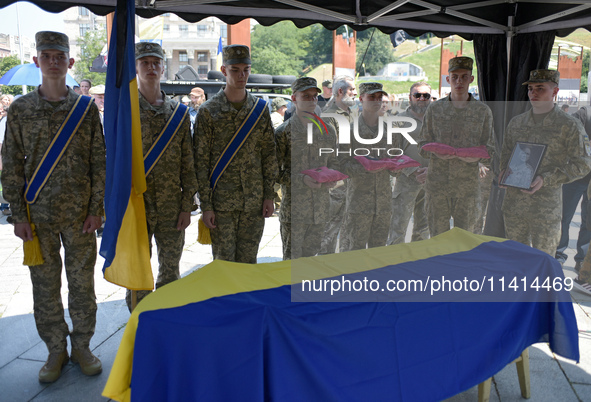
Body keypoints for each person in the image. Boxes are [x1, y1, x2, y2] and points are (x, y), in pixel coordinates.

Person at [1, 31, 105, 382]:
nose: (54, 61)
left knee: (82, 286)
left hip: (79, 217)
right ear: (36, 61)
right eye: (46, 55)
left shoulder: (85, 109)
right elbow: (11, 164)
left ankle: (83, 346)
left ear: (70, 62)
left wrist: (96, 209)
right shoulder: (20, 109)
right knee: (44, 287)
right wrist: (17, 214)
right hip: (38, 216)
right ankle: (55, 350)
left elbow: (98, 162)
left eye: (60, 55)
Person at [126, 42, 198, 311]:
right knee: (137, 273)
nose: (151, 67)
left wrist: (186, 207)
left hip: (171, 207)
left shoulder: (178, 113)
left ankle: (167, 325)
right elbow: (113, 161)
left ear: (163, 66)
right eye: (144, 62)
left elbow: (187, 164)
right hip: (136, 205)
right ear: (136, 68)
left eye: (156, 62)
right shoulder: (125, 109)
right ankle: (138, 327)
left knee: (170, 272)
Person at [194, 44, 278, 263]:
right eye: (235, 70)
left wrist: (269, 195)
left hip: (254, 202)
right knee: (223, 264)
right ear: (224, 71)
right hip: (221, 204)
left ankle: (245, 299)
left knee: (249, 263)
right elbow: (201, 163)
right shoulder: (208, 111)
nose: (242, 75)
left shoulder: (259, 110)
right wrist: (206, 206)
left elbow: (269, 154)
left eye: (246, 70)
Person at [500, 69, 591, 255]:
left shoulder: (569, 125)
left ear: (555, 92)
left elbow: (583, 164)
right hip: (514, 206)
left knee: (544, 263)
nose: (533, 93)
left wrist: (546, 178)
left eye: (540, 88)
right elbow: (506, 155)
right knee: (516, 260)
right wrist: (503, 172)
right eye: (531, 88)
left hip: (545, 209)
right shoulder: (516, 123)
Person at [418, 56, 495, 236]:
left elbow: (490, 149)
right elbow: (422, 145)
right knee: (437, 238)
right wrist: (436, 154)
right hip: (437, 186)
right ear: (448, 79)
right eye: (455, 77)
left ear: (471, 79)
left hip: (467, 188)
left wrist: (477, 157)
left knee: (466, 239)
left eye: (464, 76)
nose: (459, 81)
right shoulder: (435, 109)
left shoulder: (482, 111)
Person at [275, 77, 337, 259]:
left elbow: (334, 162)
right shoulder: (283, 132)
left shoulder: (328, 131)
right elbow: (273, 171)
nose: (311, 100)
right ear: (294, 99)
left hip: (320, 209)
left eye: (314, 96)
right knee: (291, 263)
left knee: (310, 260)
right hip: (295, 211)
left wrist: (331, 178)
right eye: (306, 96)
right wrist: (301, 179)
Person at [339, 82, 393, 251]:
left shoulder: (388, 130)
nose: (377, 101)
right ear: (361, 98)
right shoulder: (349, 130)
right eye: (372, 97)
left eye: (379, 97)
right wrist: (365, 168)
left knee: (379, 252)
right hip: (359, 203)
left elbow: (394, 160)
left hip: (383, 203)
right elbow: (340, 164)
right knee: (355, 251)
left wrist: (397, 167)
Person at [387, 82, 431, 245]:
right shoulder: (398, 121)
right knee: (398, 228)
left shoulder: (436, 121)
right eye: (417, 95)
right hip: (406, 180)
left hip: (430, 179)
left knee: (424, 228)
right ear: (409, 97)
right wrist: (413, 171)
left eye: (425, 95)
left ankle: (416, 262)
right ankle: (394, 264)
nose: (421, 98)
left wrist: (430, 171)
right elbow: (393, 151)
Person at [319, 75, 356, 254]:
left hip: (353, 181)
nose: (356, 93)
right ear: (340, 92)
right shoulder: (329, 116)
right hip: (336, 183)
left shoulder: (353, 114)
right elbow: (328, 151)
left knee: (349, 229)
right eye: (352, 90)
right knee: (329, 229)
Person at [555, 105, 591, 272]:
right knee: (564, 217)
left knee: (588, 222)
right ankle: (559, 256)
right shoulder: (585, 113)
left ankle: (582, 261)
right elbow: (566, 128)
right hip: (575, 176)